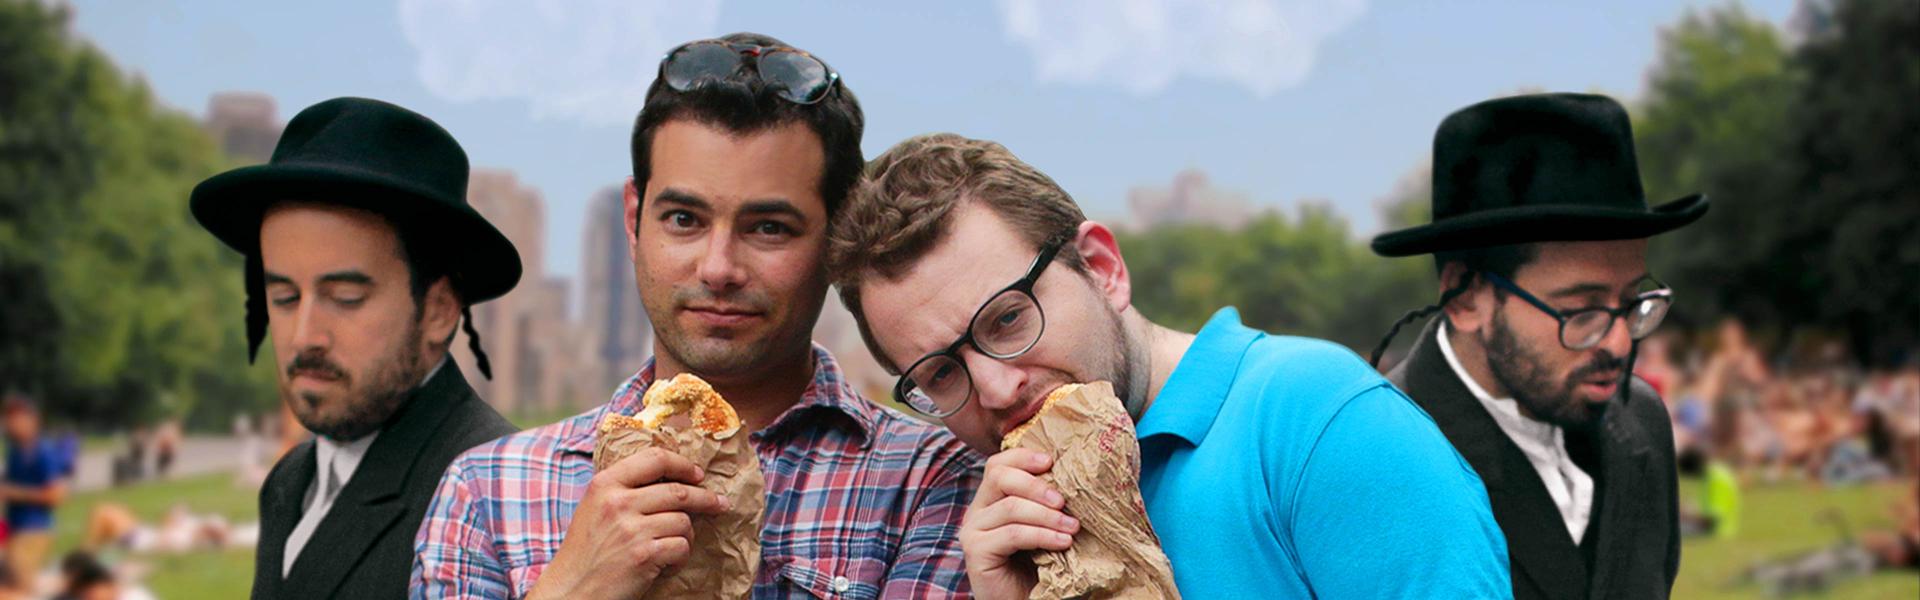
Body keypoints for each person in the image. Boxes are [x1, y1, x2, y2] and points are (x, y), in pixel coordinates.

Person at [413, 33, 982, 599]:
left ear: (836, 238)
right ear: (635, 219)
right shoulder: (490, 491)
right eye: (684, 219)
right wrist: (578, 585)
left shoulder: (931, 480)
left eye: (768, 228)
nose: (718, 268)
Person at [826, 133, 1509, 598]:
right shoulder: (1002, 523)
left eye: (1008, 318)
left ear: (1102, 267)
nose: (998, 388)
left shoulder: (1315, 419)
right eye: (942, 374)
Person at [1368, 93, 1708, 599]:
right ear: (1466, 298)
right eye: (1580, 310)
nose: (1618, 342)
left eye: (1633, 302)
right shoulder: (1377, 458)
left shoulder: (1643, 419)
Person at [189, 96, 524, 599]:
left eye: (345, 298)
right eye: (283, 297)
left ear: (437, 311)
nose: (304, 337)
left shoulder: (497, 496)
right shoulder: (289, 480)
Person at [1, 394, 68, 586]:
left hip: (34, 530)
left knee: (19, 584)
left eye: (18, 417)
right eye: (9, 417)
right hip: (11, 527)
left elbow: (56, 496)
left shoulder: (44, 451)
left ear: (34, 420)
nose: (12, 422)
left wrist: (13, 492)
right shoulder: (14, 451)